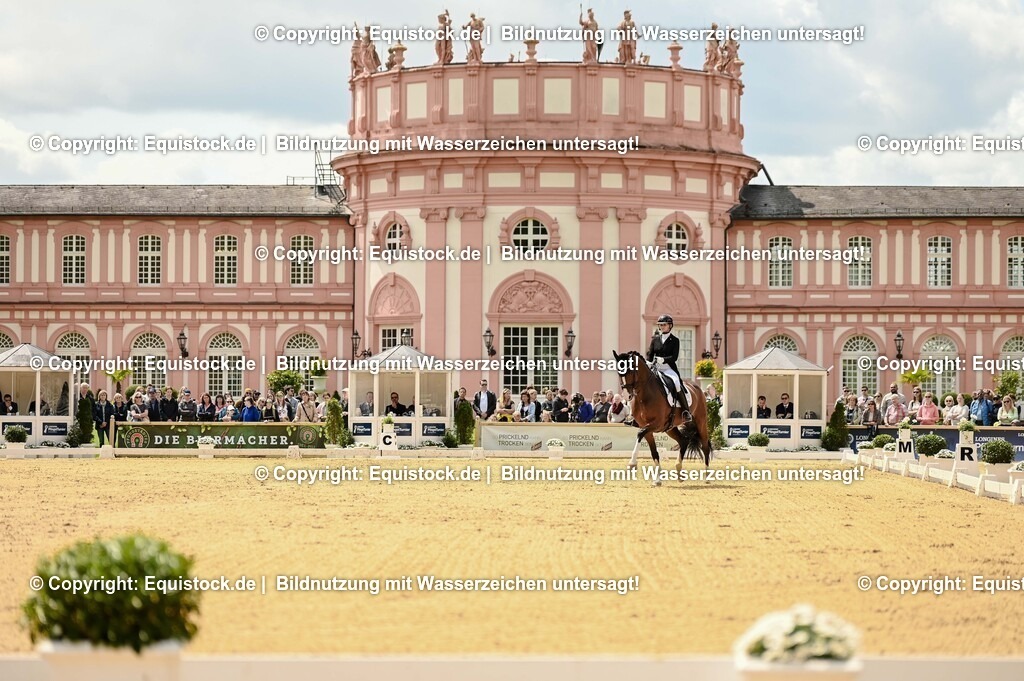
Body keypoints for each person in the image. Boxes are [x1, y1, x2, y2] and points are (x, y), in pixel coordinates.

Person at [646, 314, 687, 415]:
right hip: (656, 368)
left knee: (677, 383)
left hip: (668, 368)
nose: (662, 327)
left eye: (664, 324)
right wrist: (648, 362)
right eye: (660, 325)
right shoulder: (655, 340)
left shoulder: (675, 340)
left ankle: (686, 411)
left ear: (670, 326)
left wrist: (663, 360)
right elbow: (650, 355)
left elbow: (674, 357)